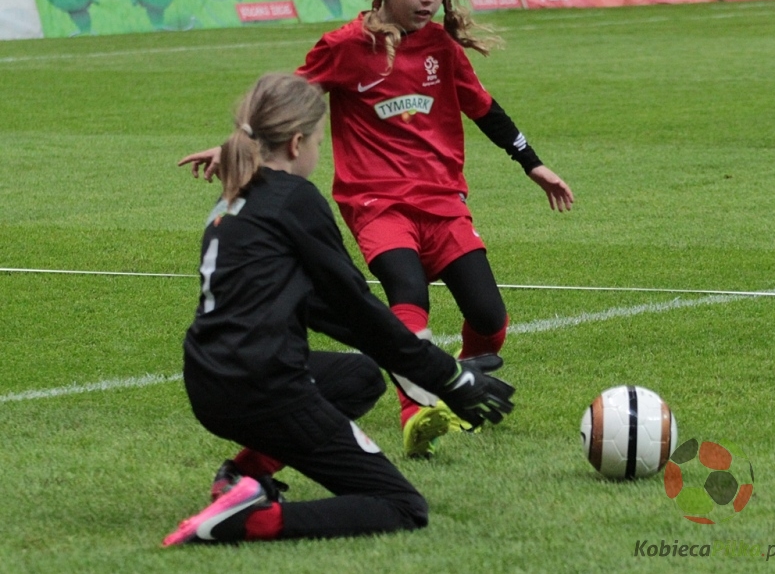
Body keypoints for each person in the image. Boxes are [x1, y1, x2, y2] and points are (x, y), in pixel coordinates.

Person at [179, 0, 572, 460]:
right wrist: (236, 145)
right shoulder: (345, 46)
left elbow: (484, 108)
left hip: (443, 203)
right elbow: (287, 99)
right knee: (406, 294)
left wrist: (533, 163)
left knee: (490, 318)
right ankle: (418, 411)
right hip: (376, 203)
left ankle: (456, 386)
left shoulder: (440, 47)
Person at [163, 73, 514, 546]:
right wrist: (450, 378)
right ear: (296, 142)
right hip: (263, 387)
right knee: (402, 507)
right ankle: (246, 520)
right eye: (320, 140)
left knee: (360, 378)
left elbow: (325, 312)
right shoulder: (295, 199)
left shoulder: (238, 195)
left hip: (210, 381)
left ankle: (240, 479)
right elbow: (357, 311)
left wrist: (432, 372)